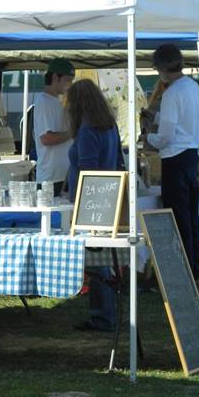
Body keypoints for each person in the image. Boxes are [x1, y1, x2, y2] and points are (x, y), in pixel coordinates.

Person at [66, 79, 123, 332]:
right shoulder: (109, 125)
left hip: (91, 199)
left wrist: (79, 198)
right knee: (102, 259)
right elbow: (119, 159)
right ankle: (106, 312)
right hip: (106, 195)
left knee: (97, 260)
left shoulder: (88, 129)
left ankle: (103, 316)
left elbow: (87, 167)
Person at [142, 44, 199, 278]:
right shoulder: (191, 86)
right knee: (191, 216)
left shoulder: (171, 93)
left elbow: (166, 136)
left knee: (178, 218)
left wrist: (149, 137)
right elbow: (180, 120)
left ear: (160, 68)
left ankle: (184, 268)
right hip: (190, 155)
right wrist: (155, 116)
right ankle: (194, 265)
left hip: (175, 158)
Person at [33, 58, 75, 196]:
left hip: (64, 174)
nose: (70, 85)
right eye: (68, 80)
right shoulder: (43, 102)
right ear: (56, 77)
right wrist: (72, 133)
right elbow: (46, 139)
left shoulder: (59, 101)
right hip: (50, 178)